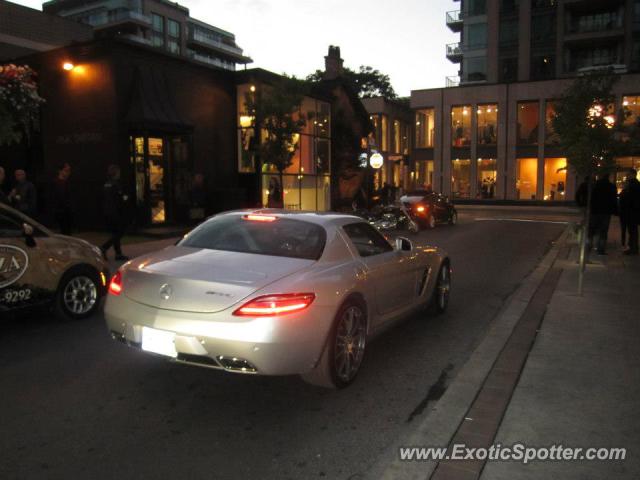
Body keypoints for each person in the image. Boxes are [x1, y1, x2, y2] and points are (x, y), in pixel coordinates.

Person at [100, 165, 129, 261]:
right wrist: (126, 198)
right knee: (120, 232)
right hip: (115, 212)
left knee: (114, 232)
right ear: (116, 173)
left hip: (107, 211)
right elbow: (121, 198)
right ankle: (104, 247)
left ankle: (118, 253)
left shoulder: (106, 184)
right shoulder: (116, 185)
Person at [588, 173, 618, 255]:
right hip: (606, 212)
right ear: (608, 177)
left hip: (595, 211)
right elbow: (613, 200)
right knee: (603, 231)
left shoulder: (594, 185)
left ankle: (588, 247)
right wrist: (615, 211)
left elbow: (590, 198)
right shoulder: (611, 186)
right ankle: (600, 249)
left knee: (591, 230)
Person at [620, 168, 640, 256]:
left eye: (628, 175)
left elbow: (628, 198)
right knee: (633, 230)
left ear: (632, 175)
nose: (626, 176)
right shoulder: (635, 184)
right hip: (633, 211)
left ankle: (633, 248)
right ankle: (633, 247)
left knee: (632, 230)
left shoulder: (632, 185)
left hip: (631, 211)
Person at [52, 163, 73, 235]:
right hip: (61, 211)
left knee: (67, 231)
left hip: (66, 211)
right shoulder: (56, 183)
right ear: (60, 171)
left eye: (69, 171)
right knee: (64, 232)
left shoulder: (67, 182)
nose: (68, 173)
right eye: (66, 170)